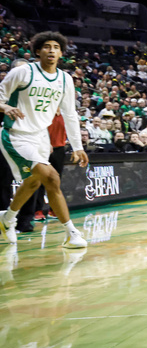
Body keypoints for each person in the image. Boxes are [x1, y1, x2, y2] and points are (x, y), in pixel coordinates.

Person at [0, 33, 89, 249]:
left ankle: (7, 219)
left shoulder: (65, 79)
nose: (51, 50)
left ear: (61, 53)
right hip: (16, 134)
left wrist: (77, 146)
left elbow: (69, 114)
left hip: (40, 136)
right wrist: (6, 107)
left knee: (33, 181)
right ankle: (71, 233)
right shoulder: (23, 72)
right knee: (51, 178)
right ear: (37, 51)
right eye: (46, 46)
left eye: (56, 47)